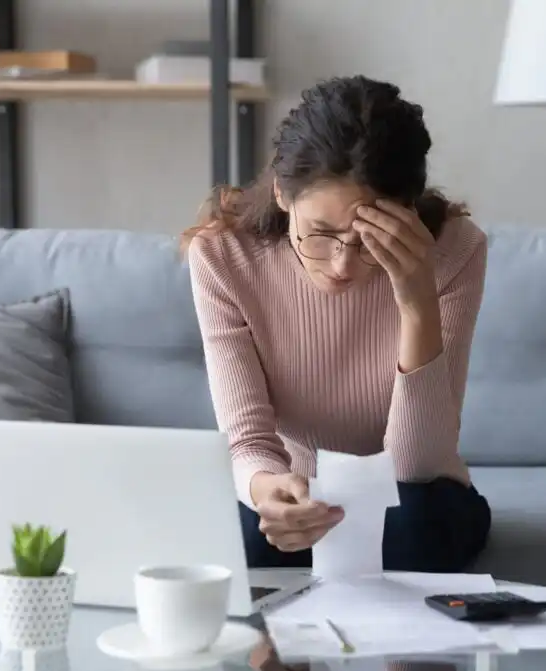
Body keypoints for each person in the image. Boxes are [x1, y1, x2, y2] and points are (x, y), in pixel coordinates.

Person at [183, 74, 491, 572]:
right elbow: (247, 441)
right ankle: (272, 652)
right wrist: (268, 490)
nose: (343, 264)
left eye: (367, 236)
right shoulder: (224, 256)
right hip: (295, 484)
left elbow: (417, 464)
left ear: (407, 212)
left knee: (411, 525)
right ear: (283, 195)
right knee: (251, 539)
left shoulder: (454, 251)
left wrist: (415, 300)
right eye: (321, 233)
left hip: (419, 497)